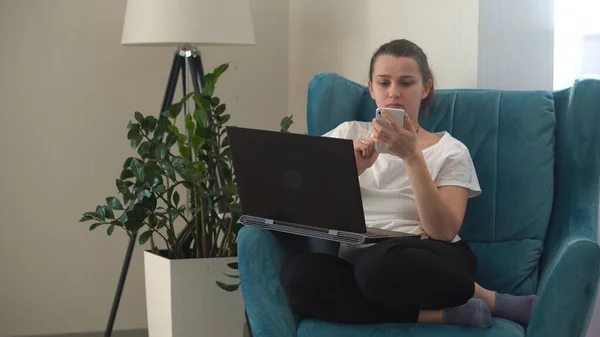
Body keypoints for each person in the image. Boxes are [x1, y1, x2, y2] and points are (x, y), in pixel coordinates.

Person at [279, 39, 538, 329]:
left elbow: (443, 231)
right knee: (299, 276)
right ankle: (442, 315)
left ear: (424, 88)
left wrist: (412, 157)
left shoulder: (450, 150)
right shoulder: (346, 135)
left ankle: (491, 299)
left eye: (406, 83)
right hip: (362, 258)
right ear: (371, 87)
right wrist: (350, 172)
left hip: (429, 258)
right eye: (384, 83)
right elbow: (300, 207)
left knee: (378, 268)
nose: (394, 93)